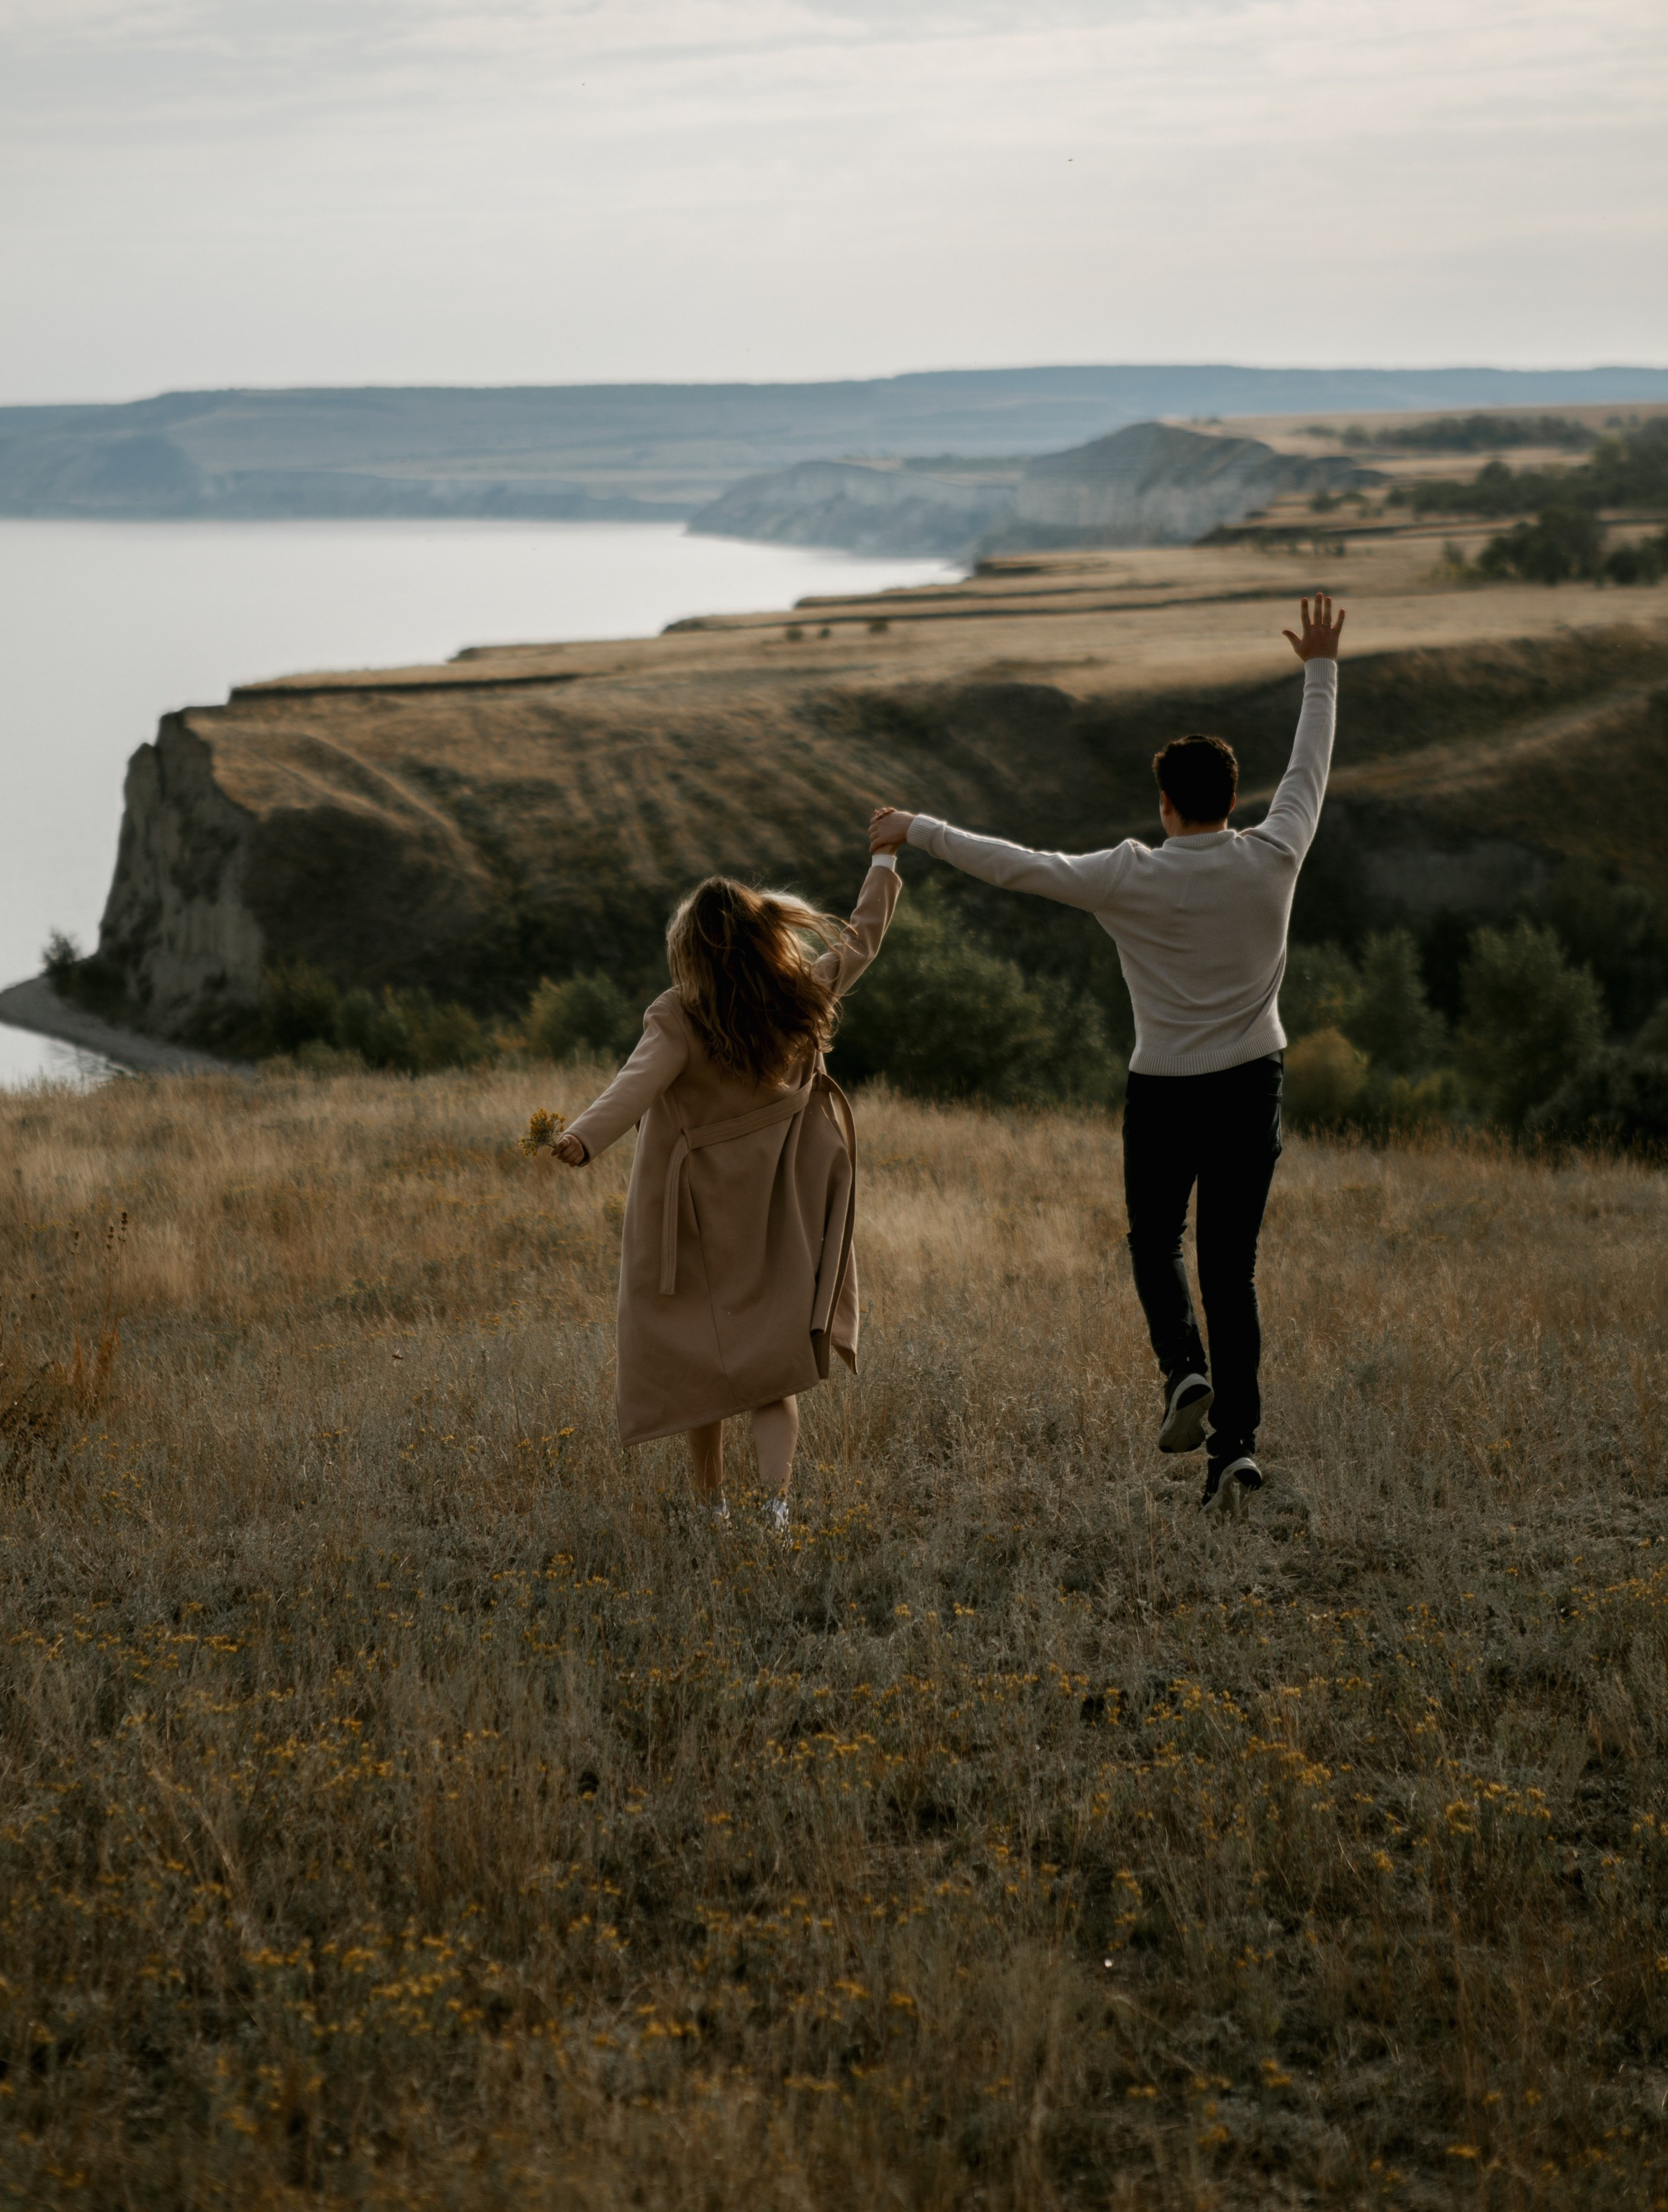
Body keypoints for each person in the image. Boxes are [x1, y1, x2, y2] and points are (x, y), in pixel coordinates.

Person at [867, 592, 1345, 1515]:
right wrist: (1319, 668)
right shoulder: (1276, 851)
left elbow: (1017, 863)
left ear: (1166, 806)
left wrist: (916, 830)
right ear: (1231, 801)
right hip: (1253, 1081)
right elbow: (1310, 767)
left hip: (1164, 1090)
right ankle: (1235, 1452)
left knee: (1154, 1242)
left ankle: (1181, 1370)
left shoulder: (1128, 874)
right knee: (1231, 1269)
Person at [549, 844, 901, 1535]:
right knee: (774, 1370)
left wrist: (583, 1137)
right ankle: (774, 1512)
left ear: (691, 952)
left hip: (702, 1220)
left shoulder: (678, 1016)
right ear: (765, 935)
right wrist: (885, 862)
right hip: (780, 1210)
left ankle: (712, 1511)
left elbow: (635, 1085)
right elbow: (862, 940)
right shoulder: (802, 996)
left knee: (703, 1371)